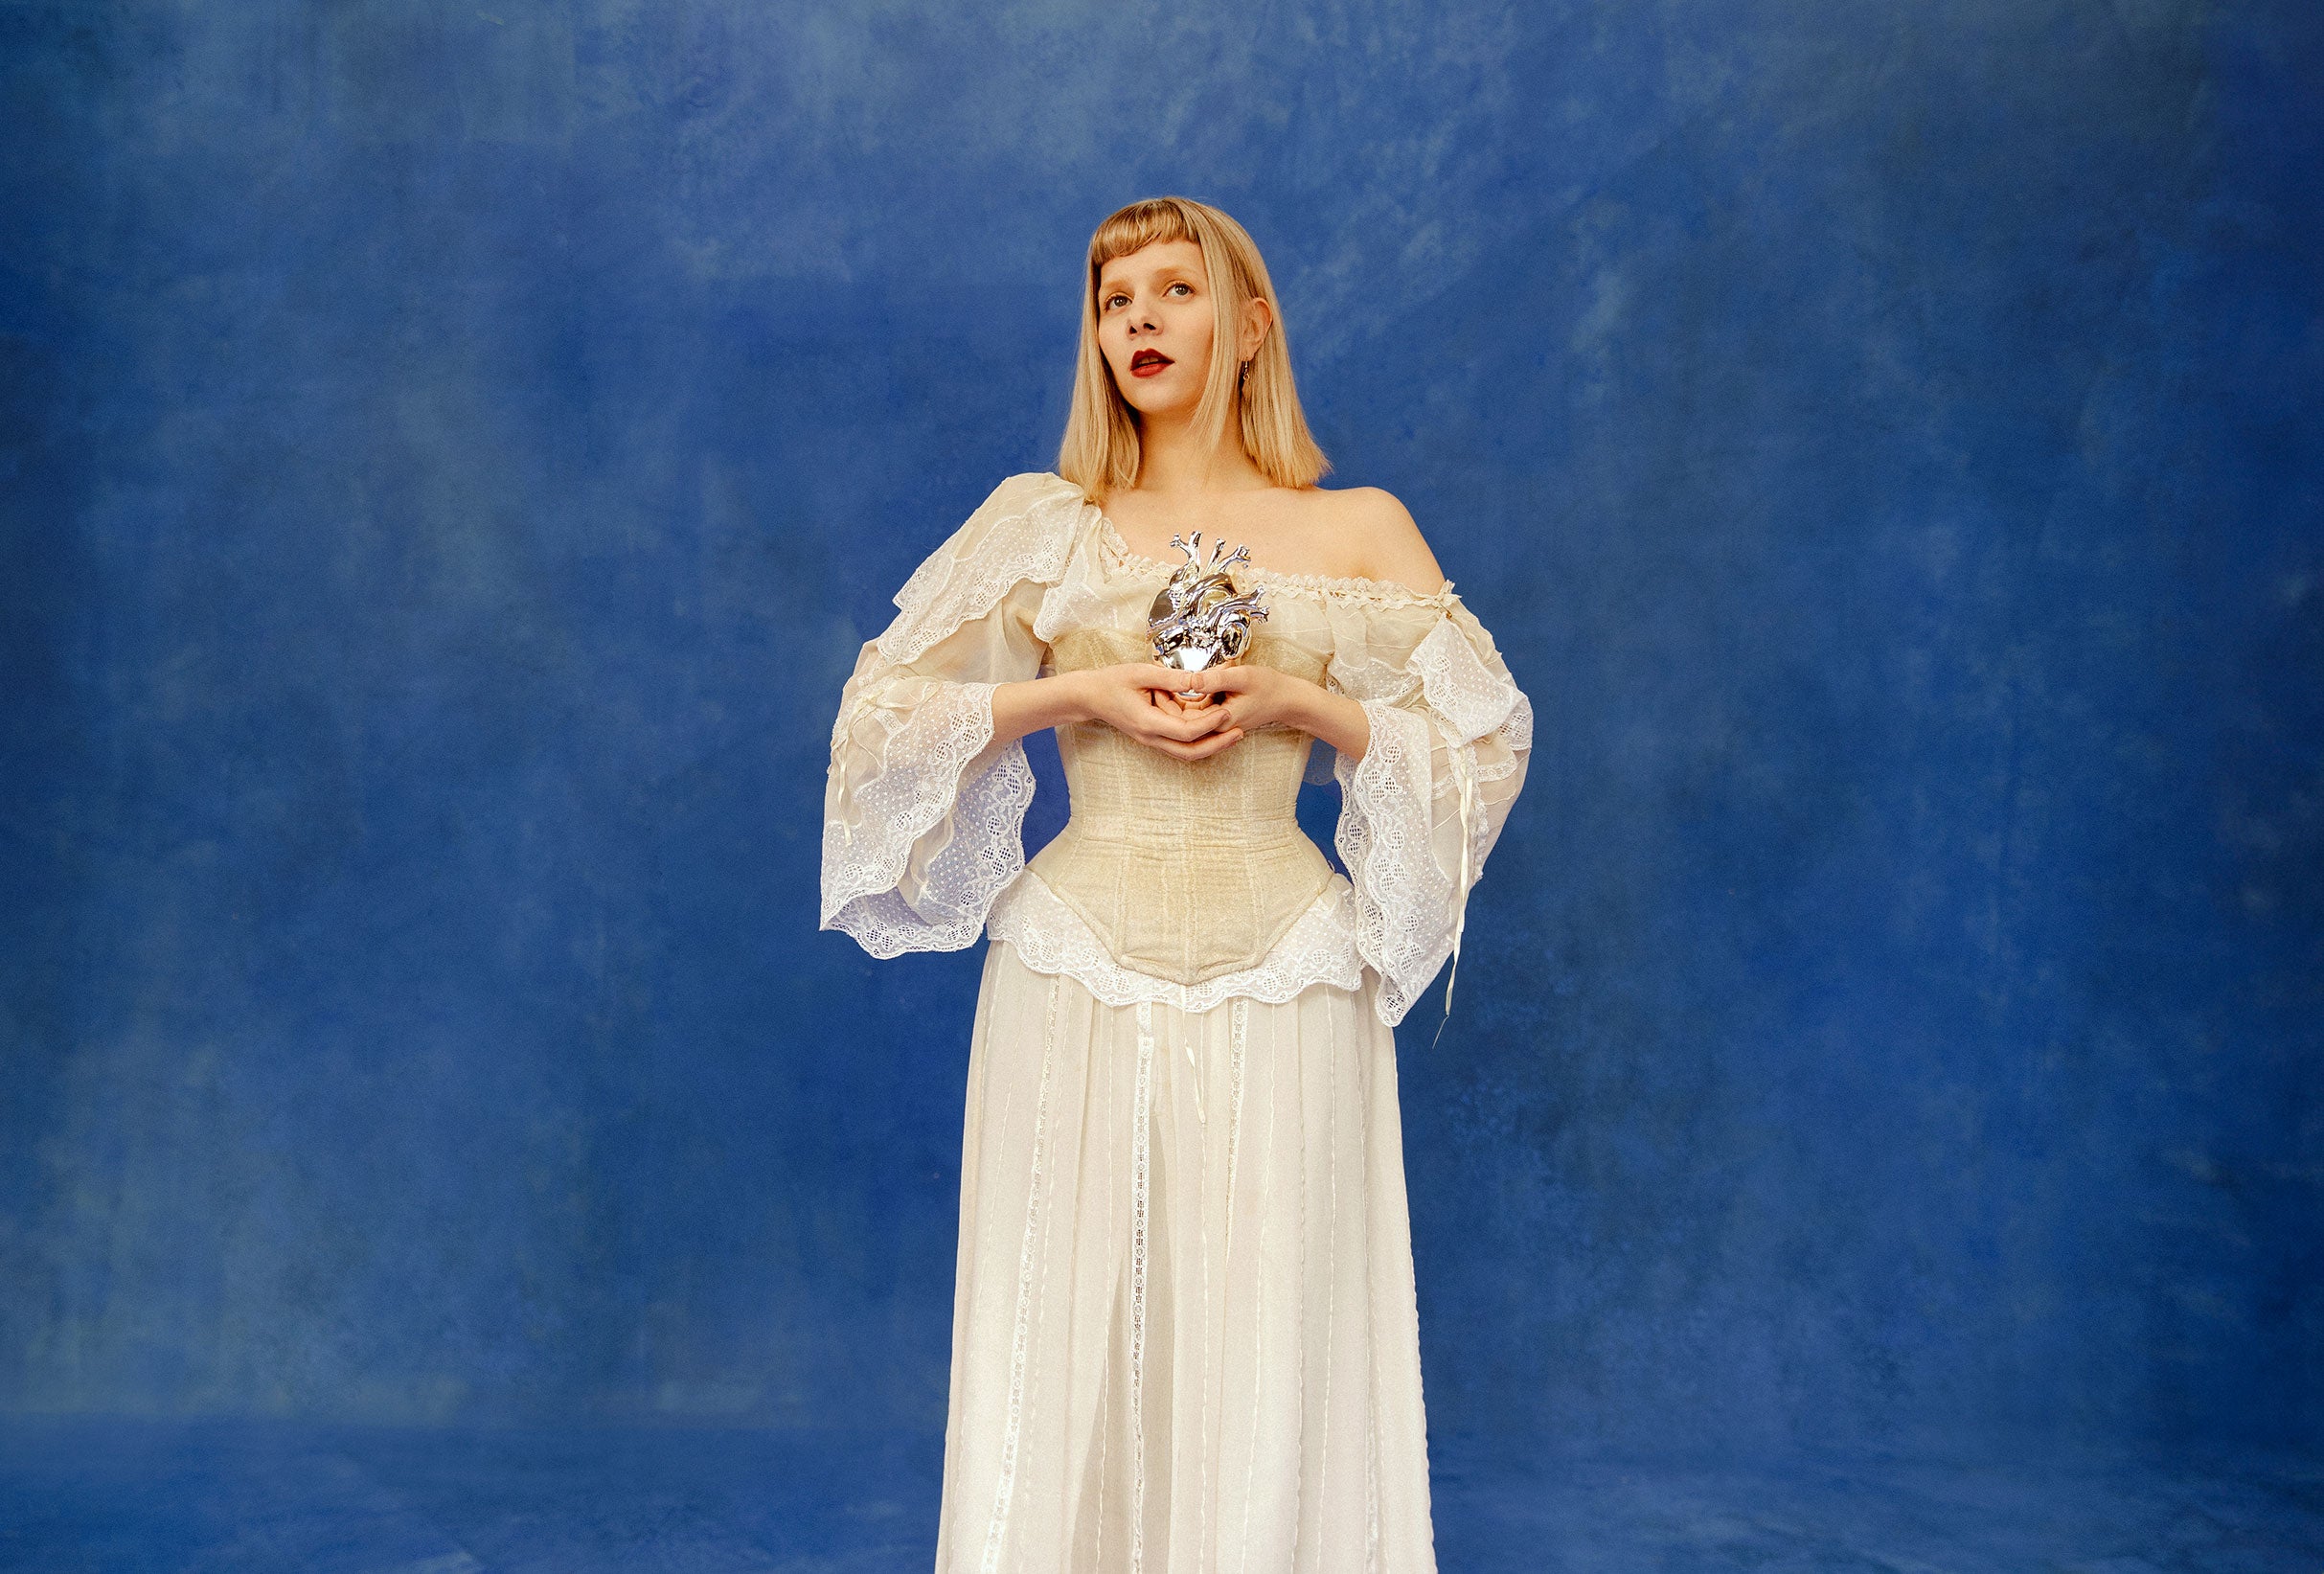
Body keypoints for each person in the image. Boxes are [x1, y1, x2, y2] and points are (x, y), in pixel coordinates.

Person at [820, 195, 1531, 1573]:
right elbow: (880, 726)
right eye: (1113, 299)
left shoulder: (1357, 530)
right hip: (1075, 966)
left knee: (1278, 1340)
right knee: (1057, 1338)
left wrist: (1301, 705)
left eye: (1174, 288)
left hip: (1290, 971)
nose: (1138, 318)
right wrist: (1077, 693)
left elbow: (1481, 747)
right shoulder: (1044, 525)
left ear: (1251, 325)